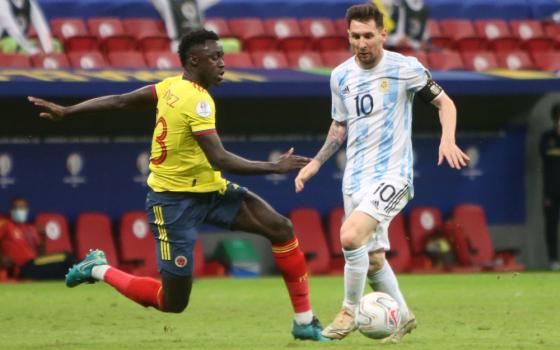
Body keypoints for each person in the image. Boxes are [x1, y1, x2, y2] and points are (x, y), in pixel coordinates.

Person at [28, 29, 329, 341]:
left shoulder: (170, 87)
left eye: (222, 56)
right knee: (172, 303)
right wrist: (274, 166)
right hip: (174, 203)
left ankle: (304, 322)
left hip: (210, 191)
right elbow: (220, 159)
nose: (222, 63)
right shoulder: (196, 101)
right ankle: (97, 269)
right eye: (215, 58)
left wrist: (68, 111)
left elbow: (119, 101)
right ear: (194, 61)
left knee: (281, 228)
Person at [294, 3, 469, 343]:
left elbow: (445, 103)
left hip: (394, 175)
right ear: (348, 36)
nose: (361, 43)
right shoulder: (340, 76)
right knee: (372, 260)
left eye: (368, 36)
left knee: (349, 236)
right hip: (355, 178)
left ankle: (348, 310)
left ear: (383, 34)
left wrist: (447, 139)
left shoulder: (405, 68)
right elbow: (339, 126)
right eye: (355, 36)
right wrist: (316, 162)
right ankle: (403, 317)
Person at [0, 197, 75, 280]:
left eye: (21, 208)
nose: (18, 211)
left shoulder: (31, 229)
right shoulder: (6, 225)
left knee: (64, 270)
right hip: (22, 267)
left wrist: (43, 240)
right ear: (10, 210)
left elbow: (40, 255)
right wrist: (2, 256)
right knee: (66, 257)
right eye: (15, 208)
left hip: (35, 264)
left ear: (26, 210)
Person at [539, 104, 560, 271]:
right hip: (551, 191)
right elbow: (544, 156)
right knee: (551, 225)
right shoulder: (547, 138)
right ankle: (553, 260)